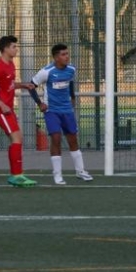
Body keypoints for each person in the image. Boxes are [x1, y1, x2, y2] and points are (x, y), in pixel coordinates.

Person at [31, 43, 93, 185]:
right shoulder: (46, 72)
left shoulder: (71, 69)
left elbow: (69, 83)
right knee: (56, 139)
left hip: (67, 110)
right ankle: (57, 175)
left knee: (73, 140)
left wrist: (73, 98)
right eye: (63, 54)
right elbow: (31, 86)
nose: (67, 57)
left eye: (67, 54)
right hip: (51, 111)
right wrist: (40, 103)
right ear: (56, 57)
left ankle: (80, 171)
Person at [0, 35, 37, 188]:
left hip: (8, 109)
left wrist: (24, 85)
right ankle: (16, 175)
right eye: (14, 47)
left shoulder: (11, 64)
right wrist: (1, 105)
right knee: (17, 138)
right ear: (5, 49)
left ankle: (16, 174)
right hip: (0, 110)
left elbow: (10, 84)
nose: (16, 49)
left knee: (17, 138)